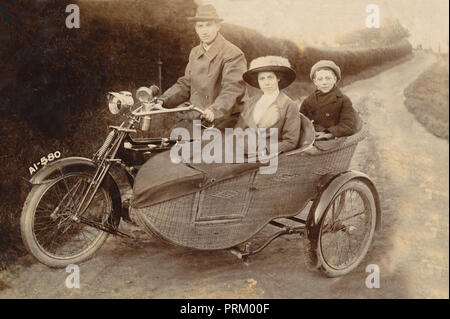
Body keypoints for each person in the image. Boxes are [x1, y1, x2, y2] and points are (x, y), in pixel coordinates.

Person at [155, 4, 247, 132]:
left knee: (203, 148)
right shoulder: (195, 52)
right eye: (200, 26)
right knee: (169, 143)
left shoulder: (233, 53)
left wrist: (215, 110)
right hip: (196, 115)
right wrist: (162, 101)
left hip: (224, 117)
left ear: (218, 26)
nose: (204, 31)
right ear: (195, 29)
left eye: (209, 25)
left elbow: (232, 89)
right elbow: (186, 84)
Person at [234, 55, 300, 154]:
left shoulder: (289, 105)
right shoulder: (251, 102)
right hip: (243, 152)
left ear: (278, 78)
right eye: (262, 79)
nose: (267, 82)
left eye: (270, 77)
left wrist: (266, 150)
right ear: (258, 81)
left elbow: (291, 141)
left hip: (269, 156)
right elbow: (238, 131)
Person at [300, 60, 358, 140]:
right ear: (315, 82)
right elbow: (301, 121)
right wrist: (311, 132)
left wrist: (329, 134)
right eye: (320, 79)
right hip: (313, 137)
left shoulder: (343, 100)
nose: (324, 83)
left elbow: (348, 125)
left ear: (334, 79)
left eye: (328, 78)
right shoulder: (308, 101)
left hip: (335, 138)